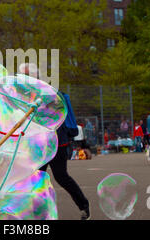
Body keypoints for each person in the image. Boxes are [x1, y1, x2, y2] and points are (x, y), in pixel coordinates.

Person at [40, 91, 91, 220]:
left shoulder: (53, 96)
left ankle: (84, 205)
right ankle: (36, 210)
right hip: (43, 144)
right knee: (37, 177)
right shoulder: (39, 95)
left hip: (57, 144)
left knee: (61, 176)